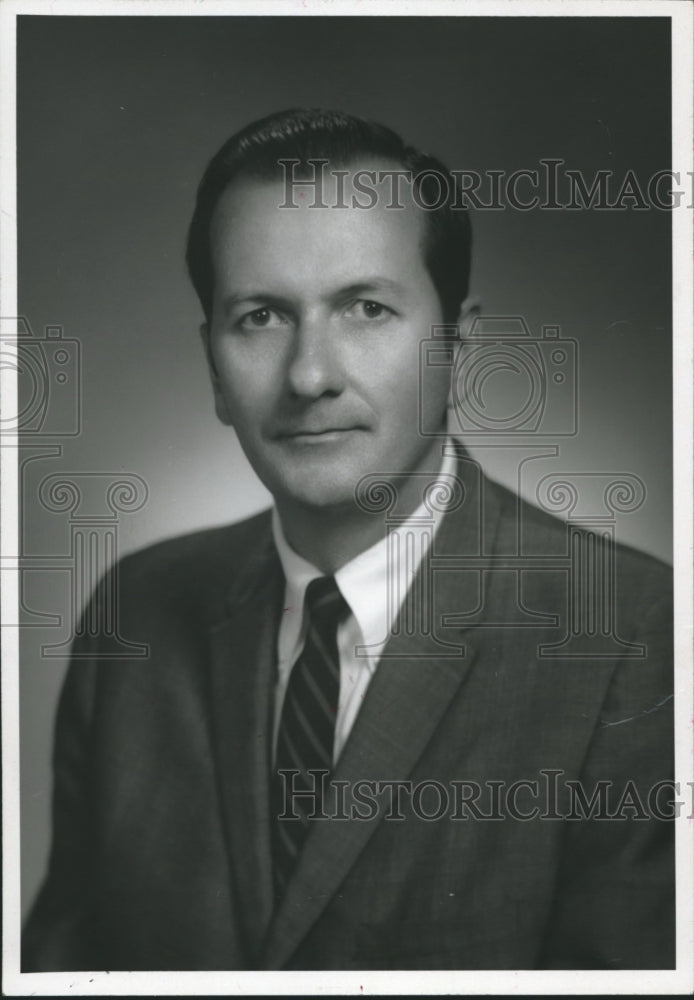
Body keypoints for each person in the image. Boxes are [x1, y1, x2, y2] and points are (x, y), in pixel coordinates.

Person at [22, 109, 674, 971]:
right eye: (260, 317)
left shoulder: (635, 639)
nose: (309, 375)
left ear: (459, 351)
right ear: (215, 371)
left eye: (365, 308)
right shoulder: (134, 611)